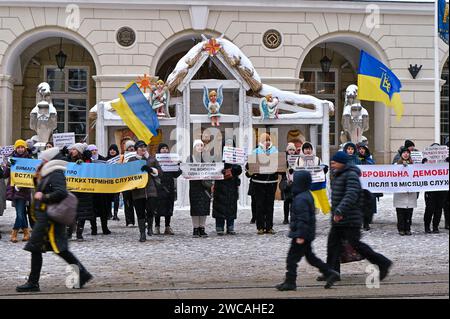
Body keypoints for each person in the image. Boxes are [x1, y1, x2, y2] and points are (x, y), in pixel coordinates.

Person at [16, 147, 92, 292]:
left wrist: (44, 197)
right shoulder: (48, 173)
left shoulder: (56, 173)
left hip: (50, 218)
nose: (42, 161)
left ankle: (34, 282)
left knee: (49, 248)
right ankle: (82, 274)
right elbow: (41, 189)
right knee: (52, 249)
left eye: (44, 159)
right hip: (45, 217)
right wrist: (36, 177)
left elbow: (61, 192)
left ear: (50, 160)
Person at [321, 151, 392, 282]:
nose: (332, 165)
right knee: (333, 245)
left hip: (349, 218)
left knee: (356, 245)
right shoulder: (339, 175)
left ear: (342, 163)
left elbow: (351, 194)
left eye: (334, 162)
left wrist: (340, 211)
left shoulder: (351, 175)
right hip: (339, 218)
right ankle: (331, 272)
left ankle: (383, 262)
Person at [276, 170, 340, 291]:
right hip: (306, 233)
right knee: (311, 257)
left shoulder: (301, 199)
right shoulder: (306, 195)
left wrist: (300, 235)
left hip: (301, 234)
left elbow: (303, 218)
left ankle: (290, 282)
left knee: (291, 259)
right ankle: (329, 273)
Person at [246, 133, 279, 235]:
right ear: (261, 142)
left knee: (270, 205)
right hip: (258, 183)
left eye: (268, 140)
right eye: (265, 140)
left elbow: (281, 166)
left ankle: (269, 227)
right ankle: (260, 227)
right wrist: (249, 168)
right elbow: (249, 169)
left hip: (271, 182)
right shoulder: (255, 152)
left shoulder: (275, 151)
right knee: (259, 205)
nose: (267, 142)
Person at [128, 140, 161, 242]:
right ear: (136, 149)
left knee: (151, 209)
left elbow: (160, 172)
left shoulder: (151, 159)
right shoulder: (132, 160)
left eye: (144, 147)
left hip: (151, 189)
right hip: (138, 191)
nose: (143, 149)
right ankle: (142, 233)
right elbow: (127, 174)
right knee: (140, 212)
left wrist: (150, 170)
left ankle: (150, 226)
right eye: (140, 147)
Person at [1, 139, 32, 243]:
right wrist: (8, 166)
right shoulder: (11, 159)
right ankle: (26, 233)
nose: (20, 149)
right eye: (18, 147)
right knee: (21, 213)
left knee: (20, 213)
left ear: (25, 148)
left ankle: (14, 233)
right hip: (14, 190)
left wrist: (22, 185)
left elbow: (32, 176)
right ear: (15, 148)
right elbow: (5, 175)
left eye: (22, 147)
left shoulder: (29, 159)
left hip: (24, 190)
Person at [213, 139, 243, 235]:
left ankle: (230, 226)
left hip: (232, 184)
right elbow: (214, 168)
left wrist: (232, 169)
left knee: (231, 206)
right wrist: (222, 169)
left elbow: (239, 169)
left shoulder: (236, 156)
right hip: (220, 184)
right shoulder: (217, 156)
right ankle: (219, 226)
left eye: (230, 144)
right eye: (227, 144)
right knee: (219, 206)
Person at [66, 143, 95, 241]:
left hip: (83, 192)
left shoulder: (87, 160)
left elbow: (90, 171)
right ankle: (69, 233)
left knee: (82, 213)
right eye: (72, 149)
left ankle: (79, 233)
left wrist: (83, 165)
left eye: (74, 149)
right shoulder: (68, 160)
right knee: (71, 213)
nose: (72, 151)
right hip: (71, 191)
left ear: (79, 151)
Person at [154, 143, 181, 235]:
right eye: (162, 148)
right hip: (159, 187)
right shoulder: (155, 160)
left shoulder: (172, 160)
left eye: (166, 148)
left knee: (168, 207)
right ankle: (156, 226)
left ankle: (167, 226)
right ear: (159, 150)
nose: (165, 150)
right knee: (157, 207)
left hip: (169, 187)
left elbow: (175, 175)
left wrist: (178, 167)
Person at [188, 140, 212, 238]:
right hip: (194, 186)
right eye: (198, 145)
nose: (200, 147)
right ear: (194, 147)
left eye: (201, 145)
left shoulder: (208, 158)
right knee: (195, 207)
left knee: (204, 207)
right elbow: (187, 170)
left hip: (205, 186)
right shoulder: (190, 158)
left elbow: (212, 169)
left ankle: (202, 228)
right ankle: (195, 228)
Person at [86, 144, 111, 235]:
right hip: (91, 189)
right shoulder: (87, 161)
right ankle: (94, 228)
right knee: (92, 210)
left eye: (95, 149)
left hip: (101, 189)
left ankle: (105, 228)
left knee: (103, 210)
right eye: (92, 150)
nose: (94, 151)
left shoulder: (103, 159)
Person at [422, 143, 446, 234]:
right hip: (430, 189)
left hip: (442, 189)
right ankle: (427, 226)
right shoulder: (426, 161)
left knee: (439, 209)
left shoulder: (445, 161)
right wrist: (423, 162)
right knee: (429, 208)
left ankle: (435, 226)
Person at [393, 147, 417, 236]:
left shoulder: (414, 165)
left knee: (409, 212)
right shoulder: (396, 165)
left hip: (410, 192)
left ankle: (408, 228)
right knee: (400, 212)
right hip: (400, 192)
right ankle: (401, 228)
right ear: (401, 154)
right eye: (404, 153)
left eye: (407, 152)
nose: (406, 154)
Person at [357, 143, 376, 231]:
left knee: (368, 205)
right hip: (358, 186)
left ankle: (366, 222)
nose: (361, 150)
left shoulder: (369, 160)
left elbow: (374, 170)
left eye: (363, 148)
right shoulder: (356, 160)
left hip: (368, 187)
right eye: (360, 149)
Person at [280, 143, 296, 225]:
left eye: (293, 150)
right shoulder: (283, 158)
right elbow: (280, 171)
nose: (292, 151)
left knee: (294, 202)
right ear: (287, 150)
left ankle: (293, 217)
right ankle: (285, 218)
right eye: (290, 149)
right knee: (286, 201)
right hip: (286, 182)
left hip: (294, 182)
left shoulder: (297, 158)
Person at [122, 140, 136, 227]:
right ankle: (129, 221)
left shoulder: (138, 157)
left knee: (139, 203)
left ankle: (143, 219)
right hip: (126, 183)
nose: (131, 148)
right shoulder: (122, 157)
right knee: (128, 203)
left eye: (132, 147)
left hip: (136, 182)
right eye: (129, 147)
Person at [106, 144, 121, 221]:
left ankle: (115, 214)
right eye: (111, 150)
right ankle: (109, 213)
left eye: (114, 150)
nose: (112, 151)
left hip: (117, 182)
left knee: (116, 199)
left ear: (116, 151)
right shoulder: (105, 160)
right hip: (108, 182)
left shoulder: (120, 160)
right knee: (108, 198)